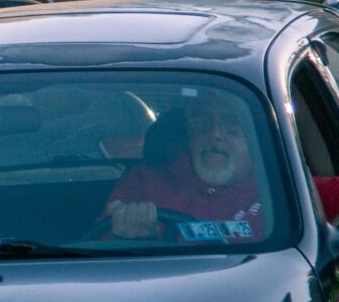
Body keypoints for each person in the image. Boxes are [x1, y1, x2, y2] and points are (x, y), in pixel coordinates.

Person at [103, 89, 268, 244]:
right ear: (189, 133)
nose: (215, 134)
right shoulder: (144, 182)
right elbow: (99, 247)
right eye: (202, 123)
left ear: (253, 135)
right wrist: (129, 234)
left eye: (232, 123)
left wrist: (169, 233)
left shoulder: (276, 191)